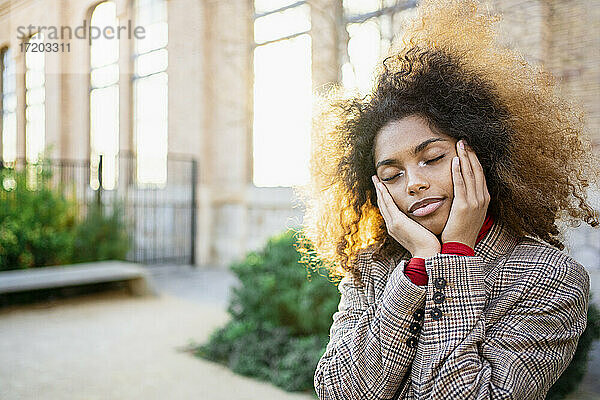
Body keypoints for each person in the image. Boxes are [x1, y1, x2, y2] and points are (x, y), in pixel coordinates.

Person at [294, 0, 600, 398]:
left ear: (480, 154)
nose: (414, 183)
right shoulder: (373, 266)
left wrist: (453, 258)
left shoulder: (548, 278)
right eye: (393, 174)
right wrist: (415, 274)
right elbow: (341, 392)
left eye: (432, 158)